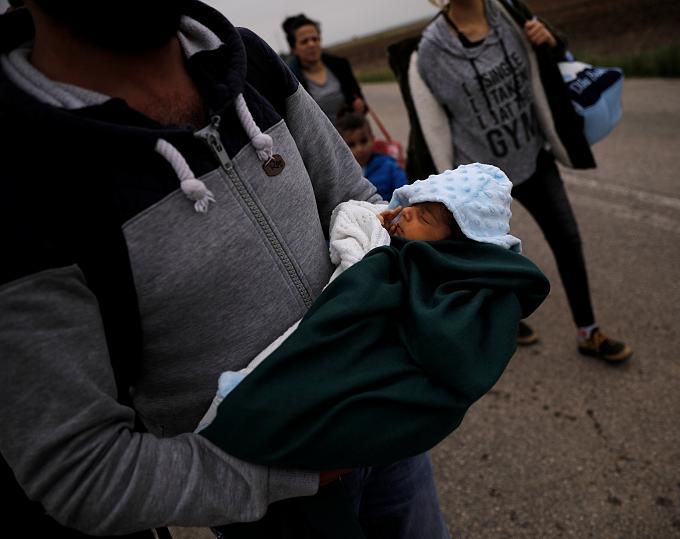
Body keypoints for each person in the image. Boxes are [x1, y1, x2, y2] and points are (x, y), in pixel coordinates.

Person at [0, 2, 448, 538]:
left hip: (387, 417)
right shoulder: (18, 174)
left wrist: (424, 333)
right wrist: (276, 476)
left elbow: (359, 204)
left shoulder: (248, 60)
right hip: (275, 509)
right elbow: (78, 467)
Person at [194, 164, 549, 537]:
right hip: (283, 450)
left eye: (424, 217)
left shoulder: (440, 281)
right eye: (412, 205)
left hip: (375, 419)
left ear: (459, 243)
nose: (406, 213)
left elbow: (446, 346)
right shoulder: (392, 243)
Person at [388, 0, 633, 361]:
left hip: (532, 157)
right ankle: (504, 322)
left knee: (567, 240)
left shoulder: (510, 14)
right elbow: (430, 128)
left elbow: (555, 58)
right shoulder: (431, 51)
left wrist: (551, 42)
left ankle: (588, 331)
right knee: (487, 258)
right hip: (478, 183)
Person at [282, 13, 366, 124]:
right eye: (304, 41)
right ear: (294, 49)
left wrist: (359, 104)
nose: (311, 44)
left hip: (352, 132)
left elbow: (360, 101)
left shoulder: (341, 65)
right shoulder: (290, 81)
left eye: (315, 39)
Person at [336, 111, 408, 201]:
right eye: (351, 145)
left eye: (364, 141)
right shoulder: (340, 174)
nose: (359, 149)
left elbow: (405, 195)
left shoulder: (390, 166)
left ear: (373, 138)